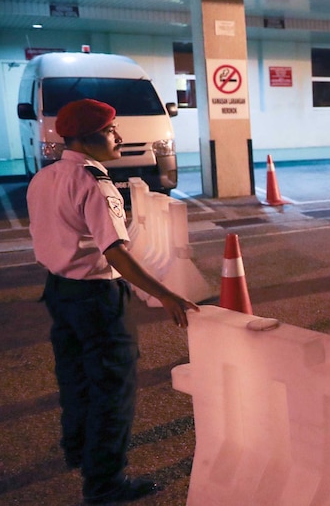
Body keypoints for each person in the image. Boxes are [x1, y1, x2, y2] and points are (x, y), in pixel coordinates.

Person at [26, 99, 200, 504]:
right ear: (87, 139)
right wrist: (165, 293)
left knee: (75, 375)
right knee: (112, 386)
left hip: (58, 290)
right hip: (95, 297)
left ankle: (77, 448)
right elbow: (115, 252)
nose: (118, 137)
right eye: (110, 131)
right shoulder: (94, 183)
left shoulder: (45, 177)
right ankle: (105, 483)